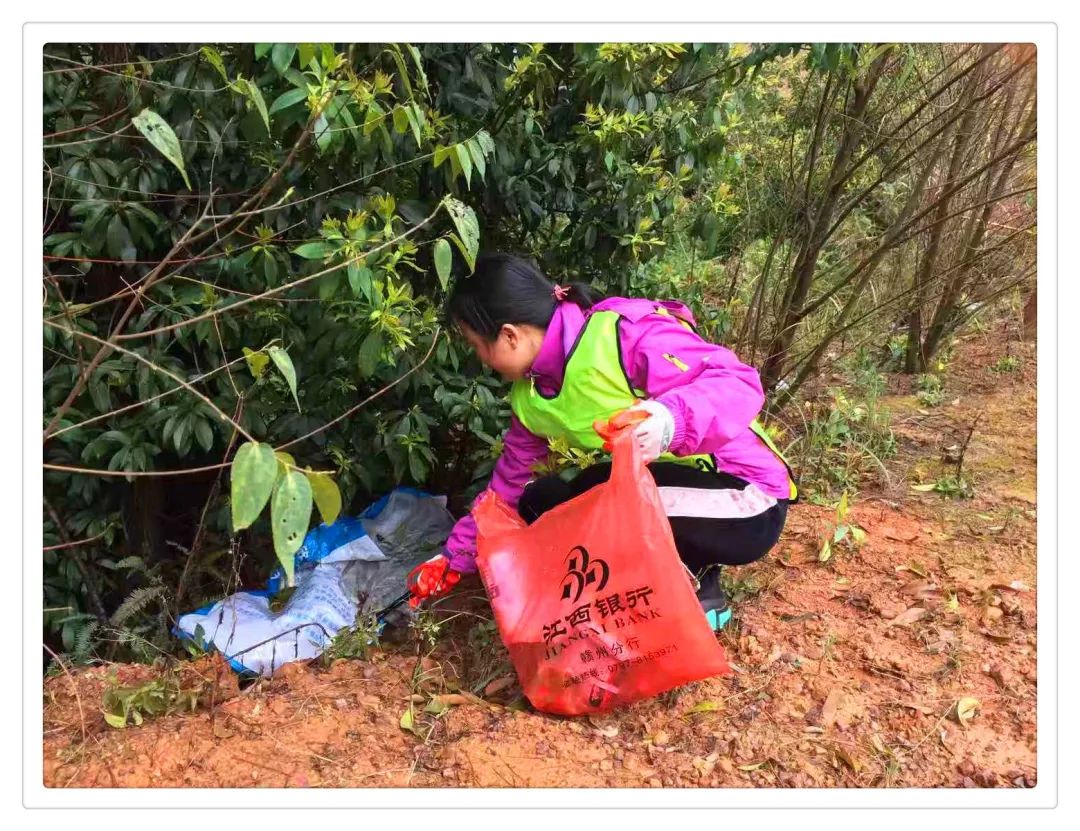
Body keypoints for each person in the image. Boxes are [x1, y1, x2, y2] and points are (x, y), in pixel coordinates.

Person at [406, 253, 797, 630]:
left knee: (600, 509)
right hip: (667, 491)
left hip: (746, 499)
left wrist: (668, 420)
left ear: (509, 335)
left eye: (477, 346)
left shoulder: (622, 334)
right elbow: (506, 489)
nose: (481, 359)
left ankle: (696, 586)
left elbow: (737, 382)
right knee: (542, 501)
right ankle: (673, 577)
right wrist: (454, 557)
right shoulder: (532, 396)